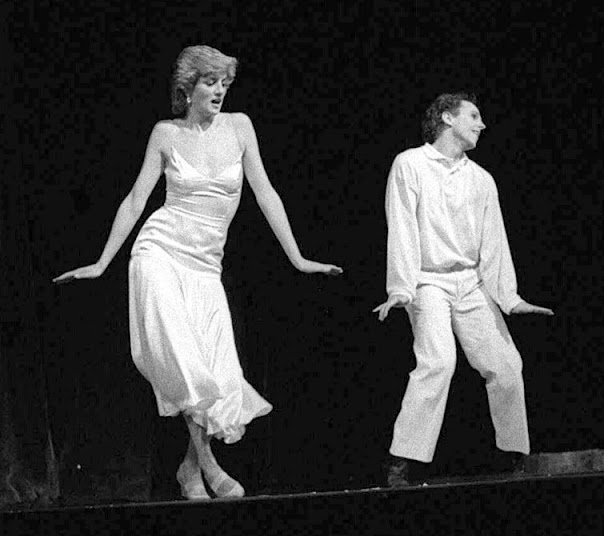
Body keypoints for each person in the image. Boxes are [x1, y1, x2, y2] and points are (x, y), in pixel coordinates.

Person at [53, 45, 342, 499]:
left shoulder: (240, 127)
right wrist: (102, 262)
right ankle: (209, 464)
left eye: (224, 82)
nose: (220, 90)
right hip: (159, 253)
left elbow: (266, 193)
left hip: (206, 266)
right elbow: (136, 199)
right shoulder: (165, 133)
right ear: (188, 89)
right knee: (184, 358)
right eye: (210, 82)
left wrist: (298, 258)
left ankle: (188, 469)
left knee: (216, 371)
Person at [373, 93, 553, 487]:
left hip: (471, 282)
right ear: (446, 118)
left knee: (506, 365)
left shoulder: (482, 179)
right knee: (438, 362)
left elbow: (494, 243)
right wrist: (401, 288)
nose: (481, 124)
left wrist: (510, 297)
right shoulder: (410, 164)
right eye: (473, 115)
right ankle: (402, 459)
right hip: (427, 279)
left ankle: (514, 455)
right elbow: (401, 227)